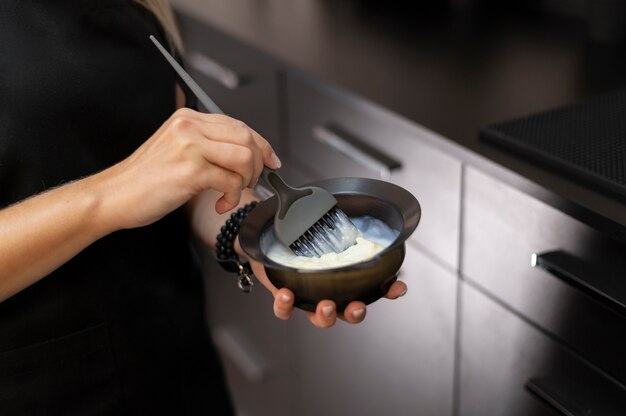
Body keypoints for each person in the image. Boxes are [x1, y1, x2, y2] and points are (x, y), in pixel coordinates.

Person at [0, 0, 408, 414]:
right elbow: (137, 182)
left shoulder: (139, 8)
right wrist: (110, 194)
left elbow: (177, 182)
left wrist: (258, 237)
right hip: (46, 387)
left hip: (178, 363)